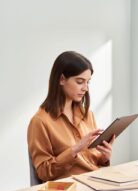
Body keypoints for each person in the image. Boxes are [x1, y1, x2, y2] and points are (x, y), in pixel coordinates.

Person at [27, 51, 115, 182]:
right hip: (69, 189)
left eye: (88, 82)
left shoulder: (87, 114)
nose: (85, 88)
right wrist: (75, 150)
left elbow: (92, 160)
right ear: (62, 79)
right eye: (80, 82)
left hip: (95, 182)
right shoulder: (39, 122)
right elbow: (43, 173)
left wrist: (104, 157)